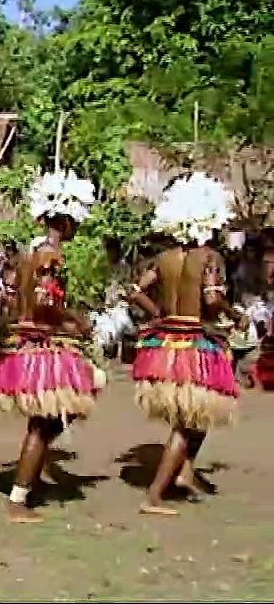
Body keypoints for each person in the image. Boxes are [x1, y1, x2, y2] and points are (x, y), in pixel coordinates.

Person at [126, 173, 243, 515]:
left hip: (165, 343)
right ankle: (154, 495)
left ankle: (184, 474)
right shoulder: (209, 257)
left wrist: (158, 314)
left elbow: (134, 291)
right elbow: (212, 299)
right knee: (188, 421)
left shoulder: (164, 259)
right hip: (197, 344)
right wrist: (235, 315)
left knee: (197, 415)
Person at [0, 169, 101, 523]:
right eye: (75, 222)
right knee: (44, 422)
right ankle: (18, 499)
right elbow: (43, 303)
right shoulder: (50, 255)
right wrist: (75, 319)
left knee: (53, 419)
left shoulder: (33, 252)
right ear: (65, 221)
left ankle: (28, 482)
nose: (77, 228)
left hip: (32, 343)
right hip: (41, 346)